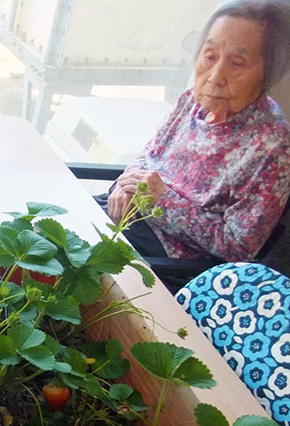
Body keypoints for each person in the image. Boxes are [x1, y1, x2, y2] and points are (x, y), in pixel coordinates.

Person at [103, 0, 290, 289]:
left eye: (237, 63)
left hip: (170, 263)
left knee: (49, 260)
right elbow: (150, 156)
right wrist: (125, 184)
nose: (215, 77)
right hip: (129, 218)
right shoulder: (192, 100)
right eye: (210, 56)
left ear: (269, 72)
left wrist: (162, 201)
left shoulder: (274, 147)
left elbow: (237, 248)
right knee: (45, 226)